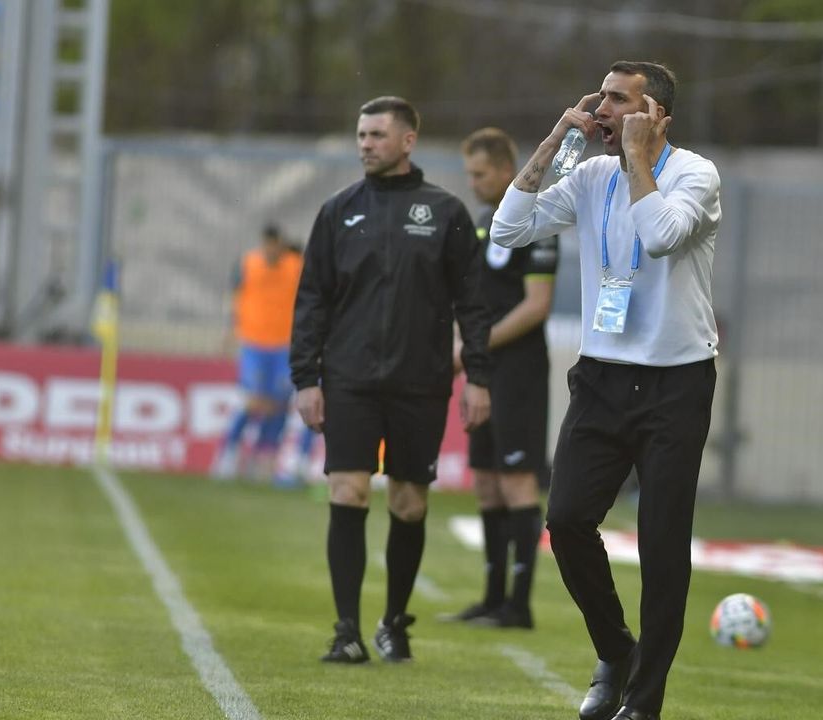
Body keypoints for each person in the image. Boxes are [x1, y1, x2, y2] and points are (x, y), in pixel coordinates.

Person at [491, 61, 720, 720]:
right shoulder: (589, 174)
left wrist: (638, 159)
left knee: (662, 544)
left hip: (676, 381)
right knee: (565, 521)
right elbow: (508, 230)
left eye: (619, 101)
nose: (603, 111)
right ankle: (616, 651)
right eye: (602, 99)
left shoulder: (696, 174)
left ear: (657, 116)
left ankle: (643, 702)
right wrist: (557, 139)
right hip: (602, 378)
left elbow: (660, 236)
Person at [290, 95, 493, 664]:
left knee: (408, 502)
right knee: (348, 490)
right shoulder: (338, 211)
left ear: (407, 141)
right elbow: (311, 300)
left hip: (420, 382)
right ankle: (346, 630)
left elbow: (474, 305)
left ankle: (394, 621)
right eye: (361, 135)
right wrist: (306, 377)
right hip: (349, 379)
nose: (366, 144)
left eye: (377, 135)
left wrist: (478, 376)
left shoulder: (446, 212)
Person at [442, 127, 558, 629]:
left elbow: (536, 306)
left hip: (520, 372)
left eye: (481, 174)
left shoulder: (537, 223)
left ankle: (519, 605)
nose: (473, 183)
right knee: (487, 483)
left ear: (508, 170)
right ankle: (491, 599)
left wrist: (474, 346)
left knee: (516, 481)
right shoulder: (482, 223)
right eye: (470, 174)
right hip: (484, 370)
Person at [212, 223, 303, 484]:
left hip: (284, 345)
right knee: (252, 401)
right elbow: (235, 298)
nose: (271, 250)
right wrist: (229, 333)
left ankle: (263, 458)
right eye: (267, 245)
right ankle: (228, 451)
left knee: (279, 404)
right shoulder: (248, 264)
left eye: (275, 245)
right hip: (253, 343)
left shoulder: (295, 265)